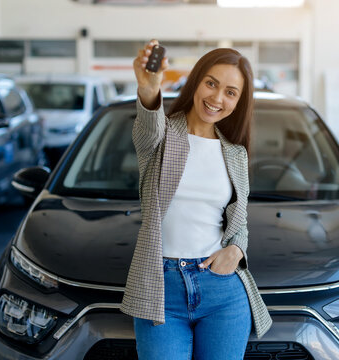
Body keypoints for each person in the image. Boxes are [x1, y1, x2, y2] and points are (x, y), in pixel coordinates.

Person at [119, 39, 273, 360]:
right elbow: (148, 125)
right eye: (211, 84)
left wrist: (237, 249)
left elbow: (238, 223)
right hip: (161, 289)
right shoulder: (161, 137)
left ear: (239, 102)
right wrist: (149, 89)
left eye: (230, 92)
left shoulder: (235, 153)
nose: (217, 98)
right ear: (196, 82)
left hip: (222, 293)